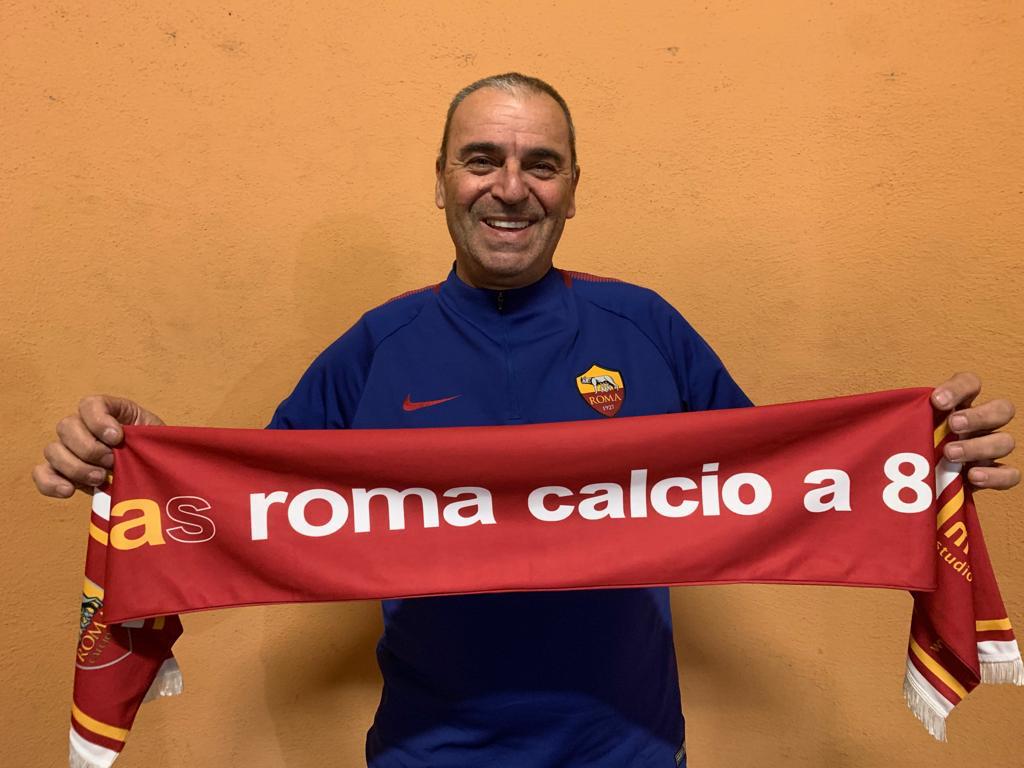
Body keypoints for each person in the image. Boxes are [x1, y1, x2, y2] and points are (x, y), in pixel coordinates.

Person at [34, 73, 1018, 767]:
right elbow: (247, 506)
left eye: (541, 164)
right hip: (427, 754)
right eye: (482, 160)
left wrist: (928, 457)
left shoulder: (646, 327)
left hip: (631, 752)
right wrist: (138, 460)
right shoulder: (375, 347)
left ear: (573, 190)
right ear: (440, 180)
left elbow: (789, 485)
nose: (511, 187)